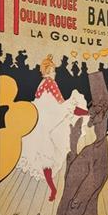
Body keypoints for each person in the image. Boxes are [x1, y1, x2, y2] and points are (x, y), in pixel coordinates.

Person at [17, 54, 89, 201]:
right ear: (49, 71)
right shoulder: (51, 83)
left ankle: (52, 189)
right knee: (70, 107)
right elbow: (61, 102)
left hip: (41, 125)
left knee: (45, 157)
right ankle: (89, 113)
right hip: (50, 121)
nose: (55, 73)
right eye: (54, 70)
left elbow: (38, 100)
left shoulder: (41, 84)